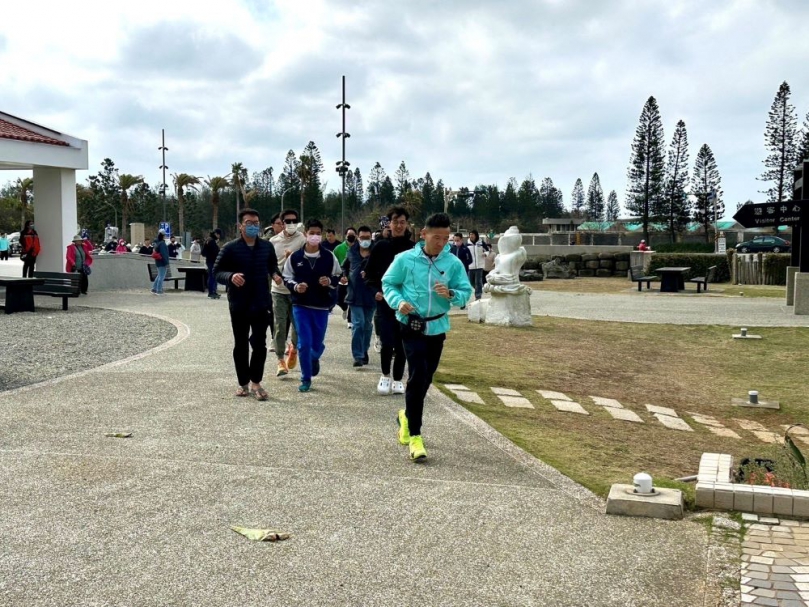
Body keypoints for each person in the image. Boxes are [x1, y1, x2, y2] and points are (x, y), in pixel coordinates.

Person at [382, 212, 472, 461]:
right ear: (423, 234)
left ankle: (406, 416)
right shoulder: (405, 259)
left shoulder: (452, 263)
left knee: (426, 378)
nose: (442, 243)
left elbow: (467, 291)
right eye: (437, 237)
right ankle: (416, 436)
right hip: (411, 325)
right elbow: (388, 283)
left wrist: (452, 293)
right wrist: (398, 302)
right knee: (418, 375)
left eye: (446, 238)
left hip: (437, 326)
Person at [214, 208, 280, 401]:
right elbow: (216, 272)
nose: (253, 227)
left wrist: (276, 275)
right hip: (239, 304)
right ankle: (243, 382)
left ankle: (256, 382)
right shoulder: (230, 248)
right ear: (240, 226)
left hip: (261, 303)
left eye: (256, 223)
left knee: (259, 345)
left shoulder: (266, 247)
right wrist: (230, 276)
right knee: (241, 344)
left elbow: (272, 265)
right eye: (249, 223)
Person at [282, 218, 341, 392]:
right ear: (306, 234)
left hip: (321, 307)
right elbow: (286, 277)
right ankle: (306, 378)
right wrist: (295, 286)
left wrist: (329, 281)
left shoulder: (329, 257)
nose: (314, 236)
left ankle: (314, 358)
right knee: (304, 343)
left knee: (316, 344)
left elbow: (338, 275)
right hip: (301, 306)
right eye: (311, 233)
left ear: (321, 235)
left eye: (317, 233)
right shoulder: (296, 257)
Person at [364, 207, 415, 396]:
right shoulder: (380, 246)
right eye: (396, 222)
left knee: (403, 342)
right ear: (390, 224)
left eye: (403, 222)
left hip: (407, 303)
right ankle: (385, 375)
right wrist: (376, 291)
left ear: (407, 224)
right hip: (385, 301)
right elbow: (369, 274)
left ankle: (398, 378)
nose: (399, 225)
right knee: (386, 341)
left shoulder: (413, 248)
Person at [270, 209, 306, 377]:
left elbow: (308, 262)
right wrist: (275, 275)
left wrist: (295, 257)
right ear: (281, 222)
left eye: (294, 220)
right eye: (287, 221)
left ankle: (293, 348)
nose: (291, 223)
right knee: (279, 325)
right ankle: (279, 360)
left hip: (296, 290)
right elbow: (268, 264)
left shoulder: (302, 239)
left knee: (297, 325)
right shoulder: (273, 241)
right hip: (278, 290)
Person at [342, 226, 376, 367]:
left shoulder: (376, 253)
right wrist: (344, 276)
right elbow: (344, 267)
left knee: (367, 325)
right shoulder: (352, 252)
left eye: (368, 237)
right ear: (358, 237)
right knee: (358, 324)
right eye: (362, 238)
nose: (365, 240)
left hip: (371, 294)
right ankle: (358, 355)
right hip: (354, 294)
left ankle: (364, 350)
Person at [333, 227, 356, 327]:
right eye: (349, 235)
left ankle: (350, 320)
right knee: (339, 299)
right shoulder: (339, 248)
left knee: (352, 298)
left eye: (353, 235)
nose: (351, 237)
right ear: (346, 236)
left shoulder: (358, 248)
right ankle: (344, 308)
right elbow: (334, 262)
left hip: (354, 278)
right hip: (342, 277)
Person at [467, 230, 491, 301]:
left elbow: (487, 250)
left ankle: (478, 296)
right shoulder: (467, 244)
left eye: (472, 234)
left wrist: (485, 254)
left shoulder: (481, 243)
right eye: (470, 234)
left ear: (476, 235)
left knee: (478, 281)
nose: (471, 236)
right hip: (470, 266)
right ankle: (478, 289)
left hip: (479, 265)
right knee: (470, 282)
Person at [202, 230, 222, 299]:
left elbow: (203, 252)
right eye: (219, 235)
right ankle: (211, 292)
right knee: (212, 277)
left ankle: (213, 291)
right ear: (216, 234)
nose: (219, 236)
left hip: (209, 260)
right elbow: (215, 252)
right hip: (212, 261)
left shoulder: (208, 240)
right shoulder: (212, 241)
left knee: (213, 276)